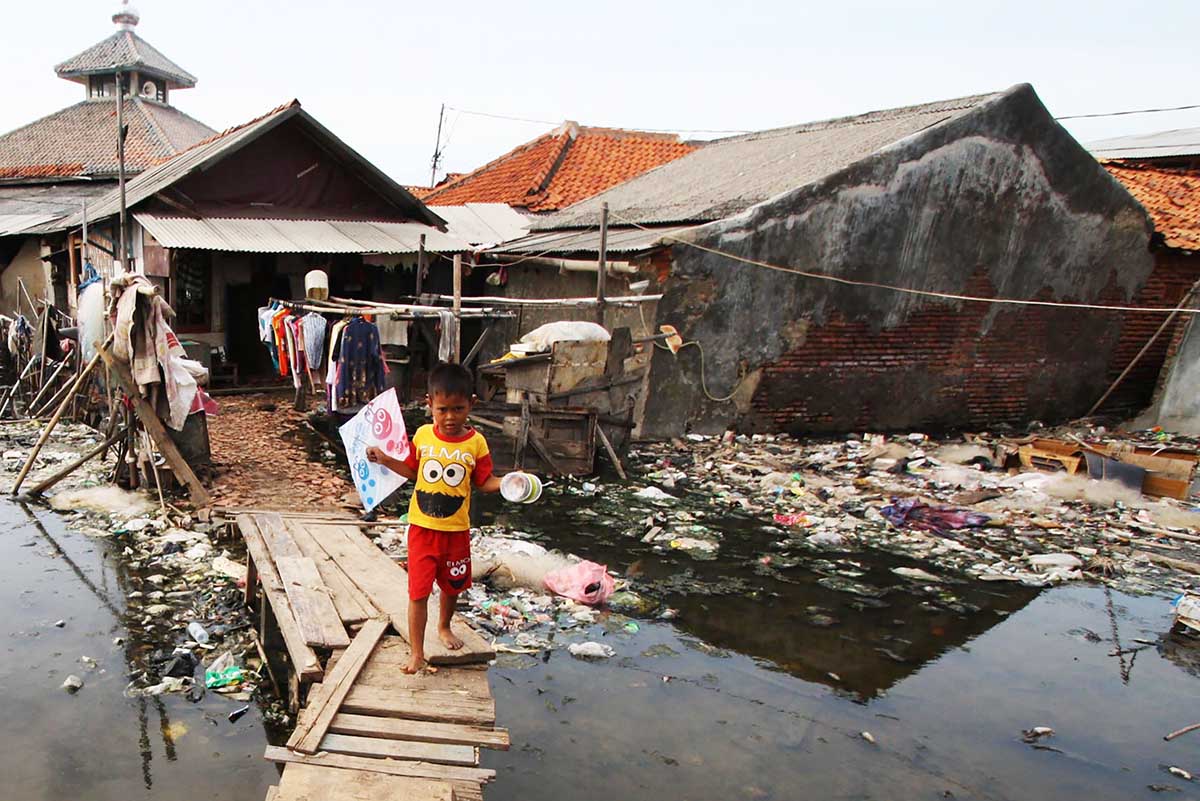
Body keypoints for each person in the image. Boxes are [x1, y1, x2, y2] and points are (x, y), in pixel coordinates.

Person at [366, 363, 501, 673]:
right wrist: (386, 459)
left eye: (458, 408)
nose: (450, 417)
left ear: (472, 405)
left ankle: (444, 626)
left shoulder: (476, 443)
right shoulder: (424, 435)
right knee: (419, 592)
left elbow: (484, 481)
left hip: (456, 532)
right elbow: (413, 471)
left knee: (453, 587)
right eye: (443, 409)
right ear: (429, 404)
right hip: (422, 531)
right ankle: (416, 652)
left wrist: (508, 483)